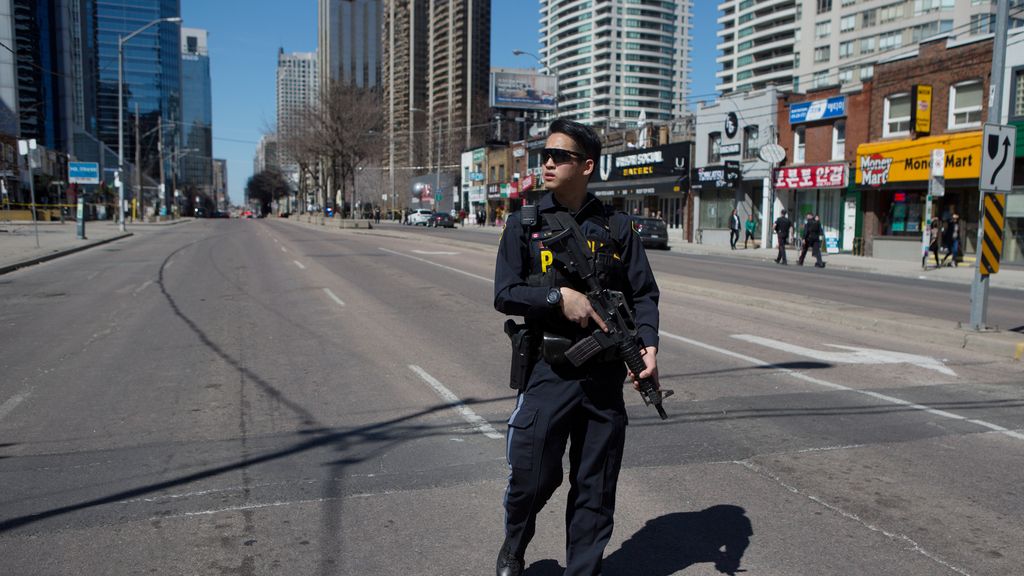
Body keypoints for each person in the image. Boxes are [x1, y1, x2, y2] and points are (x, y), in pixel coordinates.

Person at [493, 118, 661, 576]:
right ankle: (514, 545)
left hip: (604, 376)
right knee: (533, 476)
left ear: (587, 166)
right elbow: (504, 293)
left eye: (559, 156)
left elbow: (644, 294)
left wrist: (648, 346)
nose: (547, 163)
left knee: (595, 487)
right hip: (549, 371)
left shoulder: (617, 226)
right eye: (544, 155)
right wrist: (557, 298)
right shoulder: (524, 223)